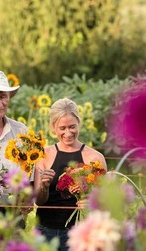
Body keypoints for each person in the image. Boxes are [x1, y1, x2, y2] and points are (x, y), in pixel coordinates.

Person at [34, 98, 107, 251]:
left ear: (79, 123)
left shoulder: (94, 158)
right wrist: (44, 187)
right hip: (45, 231)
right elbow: (39, 202)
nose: (68, 133)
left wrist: (91, 203)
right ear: (53, 127)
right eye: (62, 128)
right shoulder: (44, 155)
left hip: (80, 233)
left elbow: (105, 200)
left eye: (72, 127)